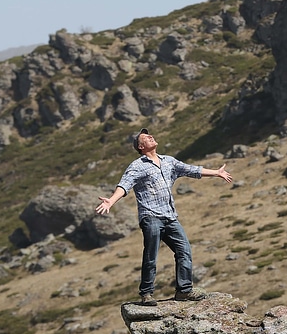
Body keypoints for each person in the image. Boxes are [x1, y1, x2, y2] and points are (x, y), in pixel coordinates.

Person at [95, 127, 232, 305]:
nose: (151, 137)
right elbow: (125, 185)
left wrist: (216, 173)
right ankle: (146, 294)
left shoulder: (168, 161)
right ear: (140, 147)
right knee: (151, 255)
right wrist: (110, 201)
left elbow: (191, 170)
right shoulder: (137, 166)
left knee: (184, 251)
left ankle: (183, 291)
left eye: (150, 135)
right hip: (150, 217)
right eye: (145, 138)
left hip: (170, 217)